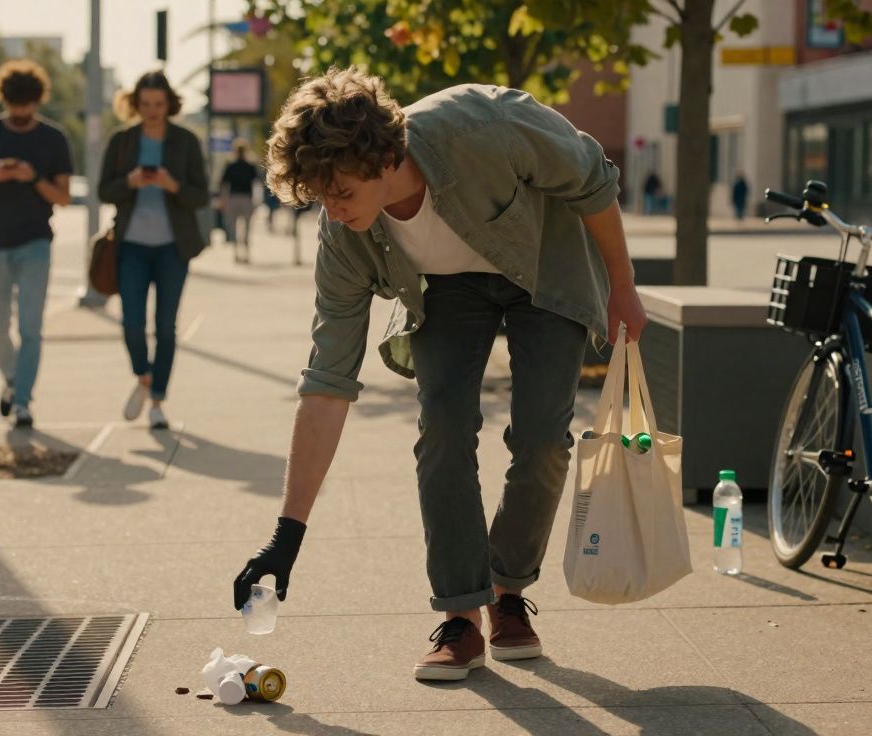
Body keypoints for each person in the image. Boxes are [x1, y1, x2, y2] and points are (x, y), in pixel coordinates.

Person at [232, 68, 647, 682]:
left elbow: (591, 177)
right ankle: (461, 617)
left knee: (541, 439)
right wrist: (286, 533)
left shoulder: (485, 123)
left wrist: (622, 286)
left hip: (545, 268)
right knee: (444, 430)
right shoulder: (344, 235)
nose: (332, 209)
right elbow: (327, 382)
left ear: (384, 159)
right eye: (319, 196)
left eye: (340, 191)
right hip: (445, 293)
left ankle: (508, 594)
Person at [0, 59, 73, 429]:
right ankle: (12, 379)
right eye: (14, 103)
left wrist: (31, 176)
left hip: (35, 243)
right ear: (3, 99)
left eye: (27, 104)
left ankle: (22, 402)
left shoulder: (53, 138)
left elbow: (64, 197)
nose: (21, 111)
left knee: (31, 327)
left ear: (38, 100)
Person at [99, 71, 210, 430]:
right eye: (145, 104)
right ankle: (143, 377)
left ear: (169, 104)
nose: (152, 111)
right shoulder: (122, 141)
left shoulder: (186, 141)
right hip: (130, 245)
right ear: (135, 104)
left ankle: (158, 400)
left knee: (165, 326)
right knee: (132, 323)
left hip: (172, 248)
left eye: (158, 104)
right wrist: (129, 182)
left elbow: (201, 196)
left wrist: (171, 184)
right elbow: (104, 191)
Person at [220, 141, 258, 263]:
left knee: (234, 227)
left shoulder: (231, 166)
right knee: (247, 228)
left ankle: (236, 253)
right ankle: (246, 253)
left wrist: (223, 200)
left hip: (233, 198)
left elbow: (224, 184)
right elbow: (257, 184)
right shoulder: (250, 166)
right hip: (246, 198)